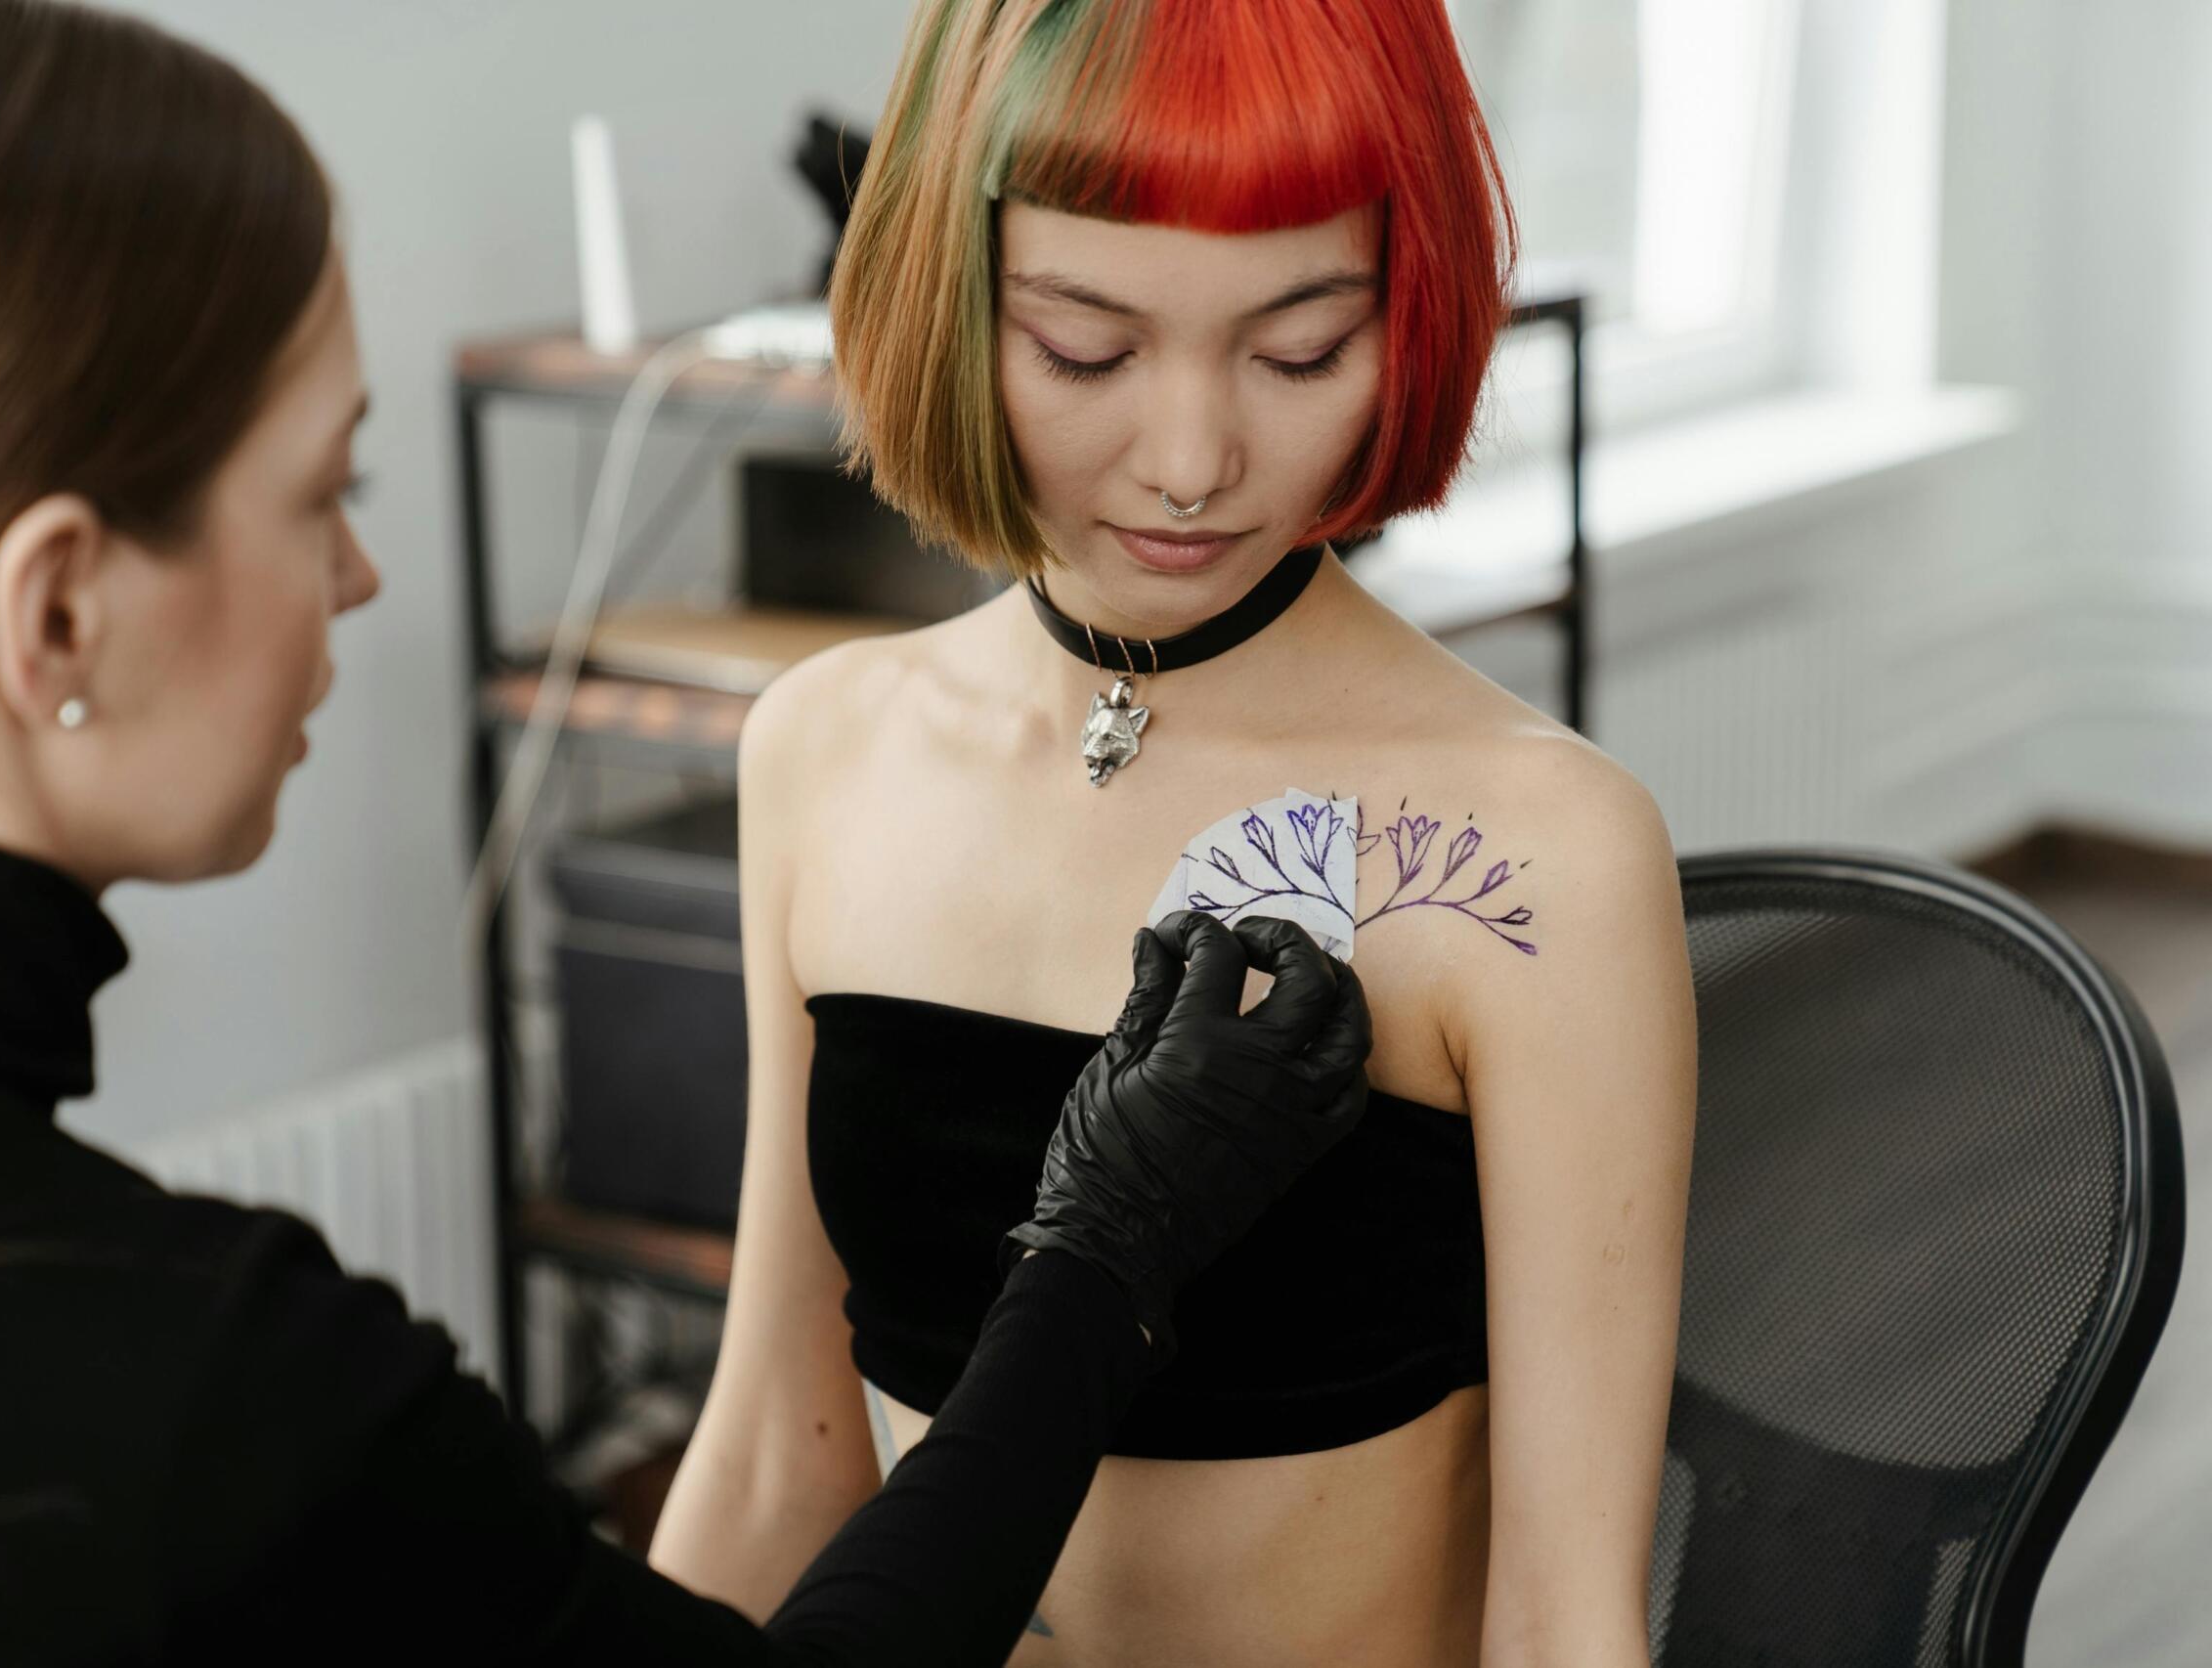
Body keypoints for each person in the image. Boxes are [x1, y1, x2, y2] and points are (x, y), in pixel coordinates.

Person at [0, 1, 1391, 1662]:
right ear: (59, 611)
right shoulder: (185, 1387)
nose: (359, 578)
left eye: (1298, 342)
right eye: (325, 498)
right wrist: (1101, 1255)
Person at [648, 2, 1703, 1664]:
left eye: (1299, 352)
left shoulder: (1545, 852)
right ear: (952, 298)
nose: (1193, 461)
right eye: (1086, 350)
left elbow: (1566, 1620)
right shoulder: (827, 748)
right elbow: (786, 1450)